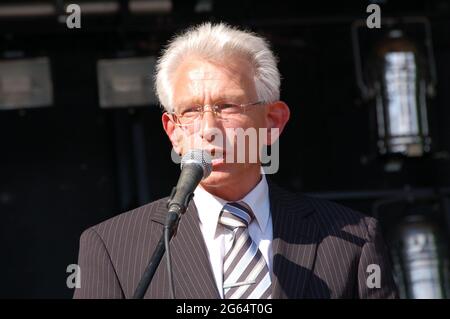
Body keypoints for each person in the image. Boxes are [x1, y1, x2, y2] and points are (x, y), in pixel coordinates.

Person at [73, 22, 398, 299]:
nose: (209, 129)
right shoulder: (112, 249)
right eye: (191, 111)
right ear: (174, 132)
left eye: (227, 106)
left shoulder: (352, 240)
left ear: (273, 120)